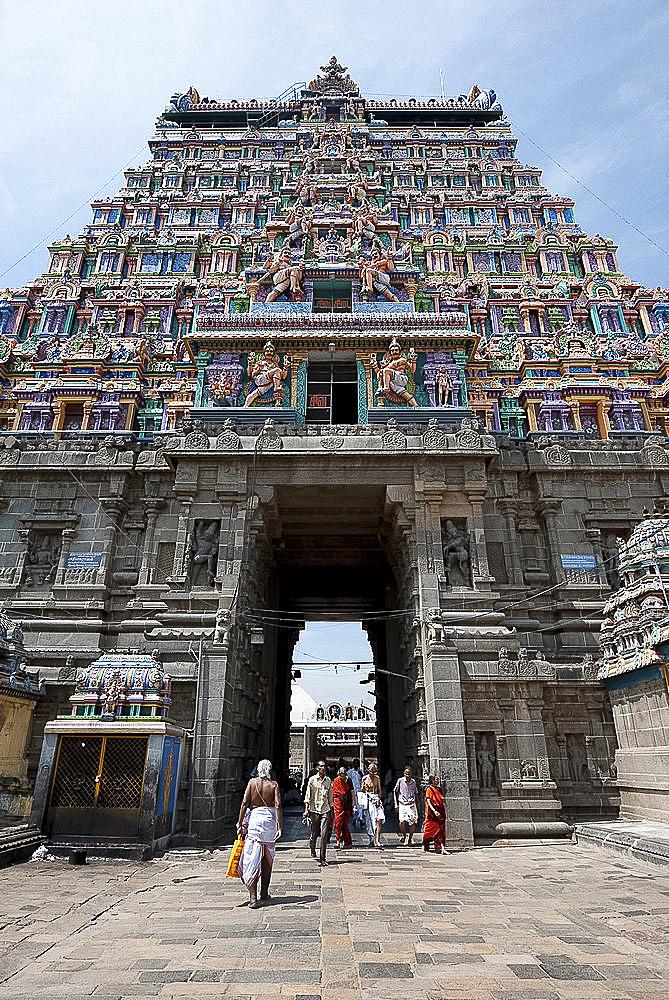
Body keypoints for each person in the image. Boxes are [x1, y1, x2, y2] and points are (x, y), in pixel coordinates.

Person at [237, 759, 282, 909]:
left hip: (255, 820)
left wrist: (239, 823)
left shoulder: (252, 783)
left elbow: (244, 804)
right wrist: (280, 826)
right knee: (267, 857)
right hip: (269, 821)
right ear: (269, 770)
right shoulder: (273, 785)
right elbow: (277, 805)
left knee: (252, 857)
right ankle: (264, 893)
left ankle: (253, 898)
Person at [303, 759, 334, 866]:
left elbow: (330, 797)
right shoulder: (312, 780)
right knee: (314, 833)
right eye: (320, 766)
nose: (322, 768)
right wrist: (306, 809)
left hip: (325, 809)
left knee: (324, 834)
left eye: (324, 766)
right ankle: (312, 848)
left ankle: (323, 858)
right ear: (317, 768)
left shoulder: (328, 781)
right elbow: (308, 796)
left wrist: (332, 809)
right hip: (314, 809)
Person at [361, 762, 385, 849]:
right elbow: (362, 790)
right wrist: (364, 786)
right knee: (370, 821)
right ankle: (371, 839)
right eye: (371, 771)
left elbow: (379, 790)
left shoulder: (377, 778)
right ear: (368, 771)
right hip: (368, 799)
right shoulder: (364, 778)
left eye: (374, 771)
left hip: (375, 799)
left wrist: (379, 799)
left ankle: (377, 840)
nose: (372, 773)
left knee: (379, 819)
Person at [332, 766, 357, 848]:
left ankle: (345, 841)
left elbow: (352, 792)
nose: (342, 777)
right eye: (340, 775)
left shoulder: (349, 780)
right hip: (338, 803)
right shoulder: (336, 781)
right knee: (338, 822)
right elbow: (334, 793)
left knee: (345, 823)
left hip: (347, 803)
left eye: (343, 775)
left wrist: (355, 805)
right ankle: (338, 840)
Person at [394, 766, 419, 845]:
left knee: (412, 822)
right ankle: (404, 835)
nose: (408, 775)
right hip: (402, 803)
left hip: (411, 804)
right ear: (404, 774)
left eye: (409, 774)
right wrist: (395, 804)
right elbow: (395, 791)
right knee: (402, 821)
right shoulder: (400, 781)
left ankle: (410, 838)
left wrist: (418, 803)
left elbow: (416, 793)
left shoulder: (413, 782)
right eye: (406, 773)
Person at [422, 774, 446, 854]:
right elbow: (428, 801)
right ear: (432, 781)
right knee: (429, 829)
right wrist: (434, 811)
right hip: (432, 812)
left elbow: (441, 799)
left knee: (441, 830)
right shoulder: (429, 789)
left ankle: (440, 847)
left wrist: (443, 800)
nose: (438, 781)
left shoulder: (439, 789)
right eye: (436, 779)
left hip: (440, 810)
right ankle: (425, 844)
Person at [346, 759, 364, 827]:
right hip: (353, 791)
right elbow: (348, 781)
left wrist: (361, 774)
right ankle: (354, 818)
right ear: (353, 764)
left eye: (357, 763)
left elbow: (364, 779)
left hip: (360, 790)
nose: (356, 764)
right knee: (354, 805)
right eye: (355, 763)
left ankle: (361, 819)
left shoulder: (361, 771)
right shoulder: (350, 772)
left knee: (360, 805)